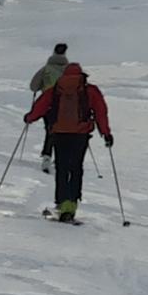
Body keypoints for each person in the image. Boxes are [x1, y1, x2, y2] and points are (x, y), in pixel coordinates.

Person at [24, 62, 113, 222]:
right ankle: (72, 204)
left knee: (62, 167)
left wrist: (30, 118)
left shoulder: (56, 89)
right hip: (80, 135)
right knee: (76, 167)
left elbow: (41, 106)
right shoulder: (89, 90)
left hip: (60, 133)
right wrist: (106, 133)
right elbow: (100, 112)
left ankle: (62, 202)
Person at [29, 43, 69, 173]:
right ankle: (60, 158)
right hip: (67, 106)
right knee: (63, 131)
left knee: (50, 130)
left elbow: (33, 86)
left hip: (48, 105)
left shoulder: (46, 69)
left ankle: (47, 157)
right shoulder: (69, 70)